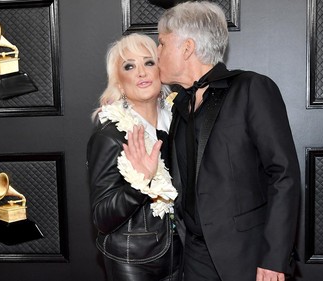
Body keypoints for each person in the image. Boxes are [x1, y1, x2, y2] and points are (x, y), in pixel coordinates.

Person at [123, 1, 301, 281]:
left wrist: (274, 257)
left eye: (162, 44)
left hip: (249, 256)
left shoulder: (251, 89)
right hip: (193, 256)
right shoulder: (179, 105)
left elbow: (284, 175)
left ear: (187, 48)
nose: (157, 53)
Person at [86, 33, 181, 281]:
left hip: (184, 255)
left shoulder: (180, 122)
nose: (141, 72)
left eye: (149, 62)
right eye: (129, 66)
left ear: (161, 68)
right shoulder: (110, 136)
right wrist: (141, 183)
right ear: (118, 82)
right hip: (134, 261)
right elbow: (102, 218)